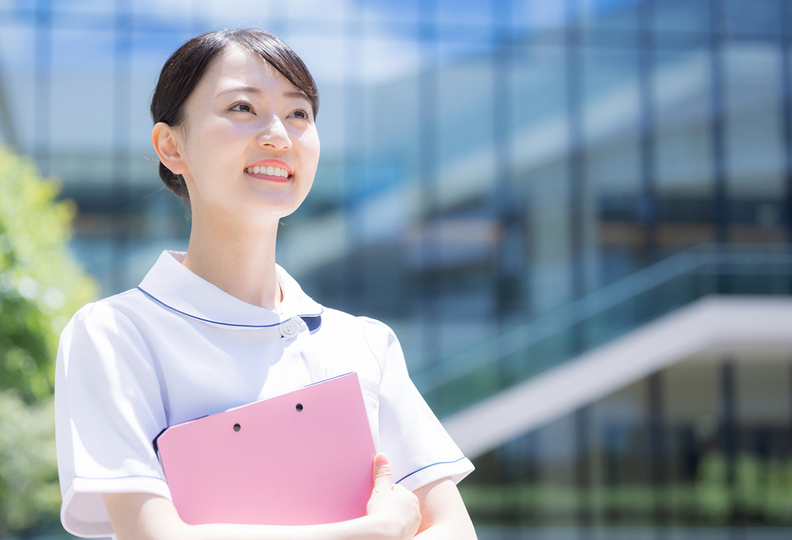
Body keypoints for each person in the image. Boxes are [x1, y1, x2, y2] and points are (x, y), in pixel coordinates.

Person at [54, 28, 477, 540]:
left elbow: (453, 529)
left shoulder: (365, 344)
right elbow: (153, 536)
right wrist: (373, 532)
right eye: (241, 107)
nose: (279, 135)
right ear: (171, 145)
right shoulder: (115, 334)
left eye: (299, 113)